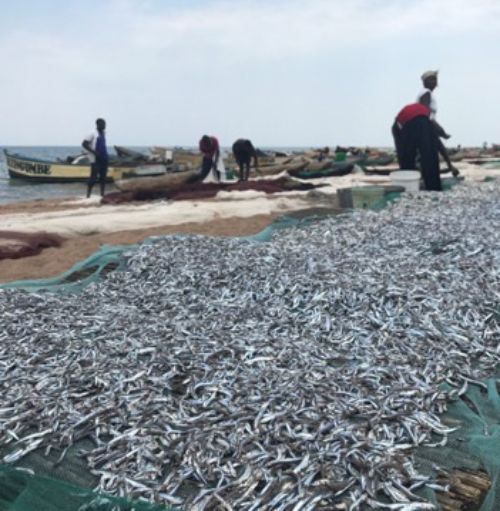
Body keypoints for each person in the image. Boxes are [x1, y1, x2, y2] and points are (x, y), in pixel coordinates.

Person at [391, 103, 442, 191]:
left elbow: (401, 153)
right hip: (412, 120)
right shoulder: (428, 123)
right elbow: (438, 145)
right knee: (429, 155)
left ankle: (407, 184)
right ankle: (433, 187)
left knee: (406, 158)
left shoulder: (426, 118)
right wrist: (450, 165)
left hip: (410, 121)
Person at [417, 71, 459, 177]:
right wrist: (440, 129)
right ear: (424, 82)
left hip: (428, 125)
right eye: (431, 79)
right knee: (431, 150)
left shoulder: (428, 93)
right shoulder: (426, 92)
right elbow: (425, 111)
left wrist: (440, 130)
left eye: (435, 79)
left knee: (438, 146)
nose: (434, 81)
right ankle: (424, 175)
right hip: (425, 125)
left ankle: (449, 167)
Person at [82, 118, 109, 197]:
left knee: (103, 178)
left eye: (105, 124)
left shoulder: (104, 133)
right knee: (93, 178)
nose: (104, 126)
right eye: (103, 124)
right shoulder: (92, 133)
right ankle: (88, 195)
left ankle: (102, 194)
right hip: (95, 159)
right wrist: (94, 152)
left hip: (104, 158)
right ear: (98, 125)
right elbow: (84, 144)